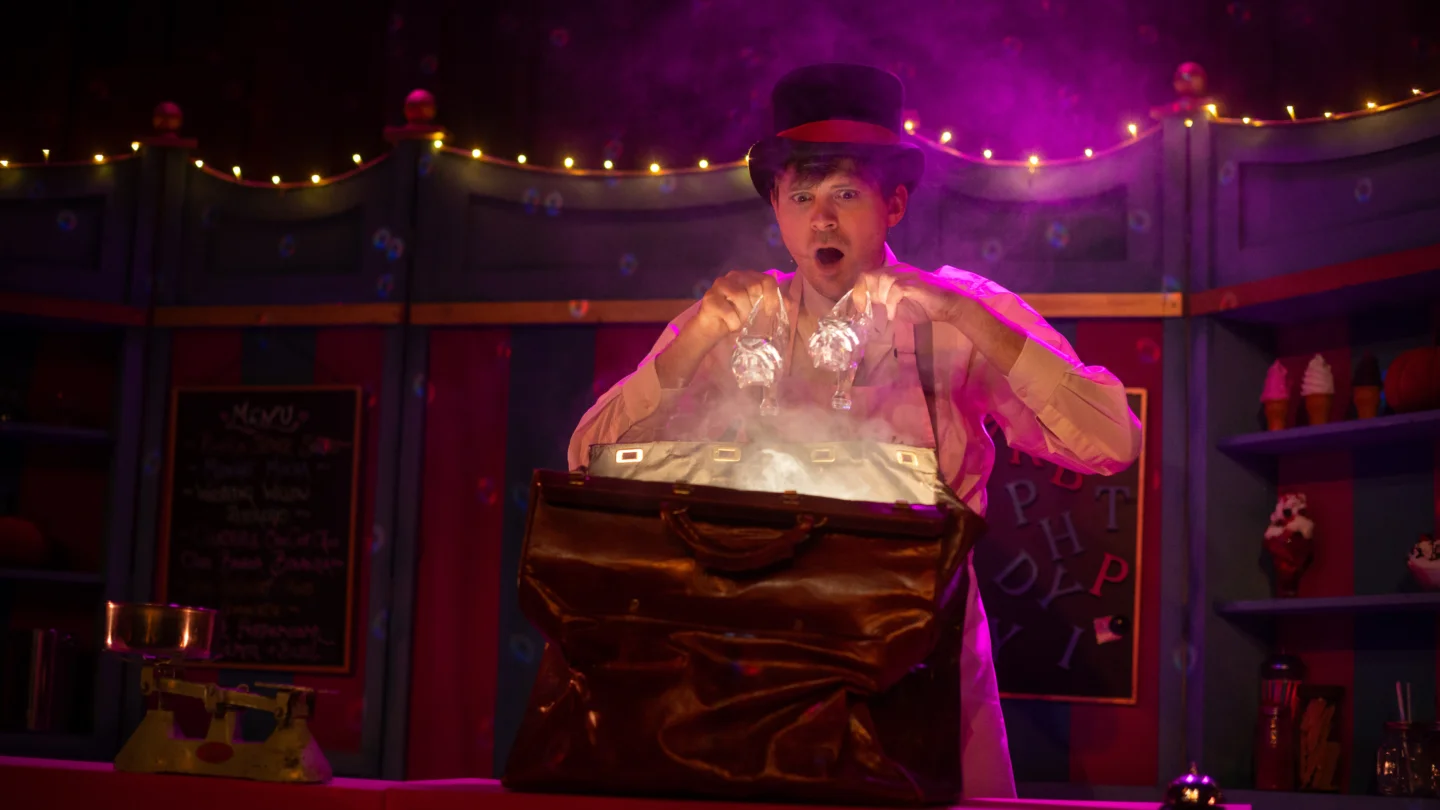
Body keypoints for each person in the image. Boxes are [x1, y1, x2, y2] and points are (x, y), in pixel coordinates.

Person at [567, 62, 1142, 799]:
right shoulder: (731, 320)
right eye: (801, 196)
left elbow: (1111, 441)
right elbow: (590, 460)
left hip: (915, 654)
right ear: (775, 208)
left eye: (845, 193)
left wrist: (969, 318)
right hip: (755, 665)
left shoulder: (958, 310)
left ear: (895, 203)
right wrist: (692, 341)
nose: (823, 220)